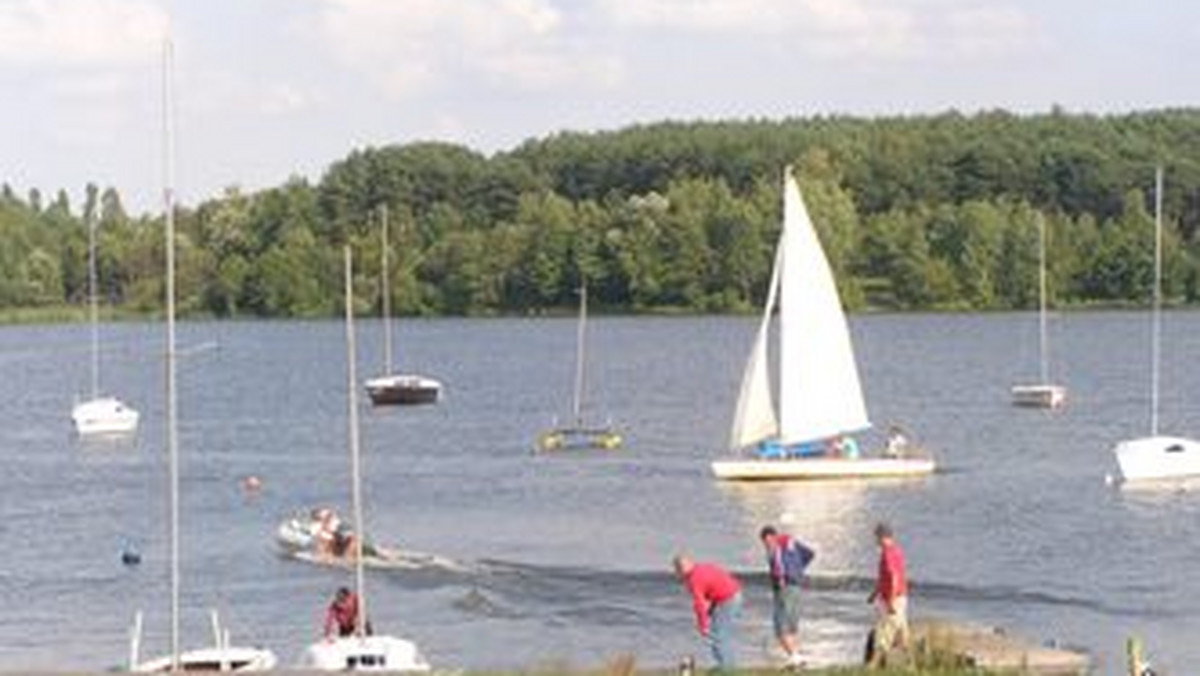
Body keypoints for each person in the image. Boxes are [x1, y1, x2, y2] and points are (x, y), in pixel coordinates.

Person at [673, 554, 742, 671]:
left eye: (678, 570)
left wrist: (703, 626)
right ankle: (726, 665)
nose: (678, 574)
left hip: (727, 599)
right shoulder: (701, 568)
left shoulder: (694, 579)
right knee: (722, 634)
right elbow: (714, 585)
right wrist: (711, 611)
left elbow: (700, 604)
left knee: (719, 635)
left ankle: (727, 668)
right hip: (732, 594)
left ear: (682, 569)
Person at [760, 525, 816, 668]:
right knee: (791, 626)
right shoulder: (792, 543)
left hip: (784, 588)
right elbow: (810, 553)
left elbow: (778, 568)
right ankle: (796, 657)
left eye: (765, 541)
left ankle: (794, 657)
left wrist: (781, 581)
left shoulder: (776, 547)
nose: (765, 545)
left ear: (770, 537)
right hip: (797, 586)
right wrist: (798, 570)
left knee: (780, 627)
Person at [865, 522, 910, 667]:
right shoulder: (896, 551)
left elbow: (894, 578)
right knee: (901, 631)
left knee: (884, 631)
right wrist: (875, 593)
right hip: (899, 597)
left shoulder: (888, 553)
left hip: (894, 598)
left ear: (882, 536)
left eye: (877, 537)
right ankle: (910, 663)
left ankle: (873, 664)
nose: (875, 541)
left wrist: (890, 600)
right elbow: (885, 577)